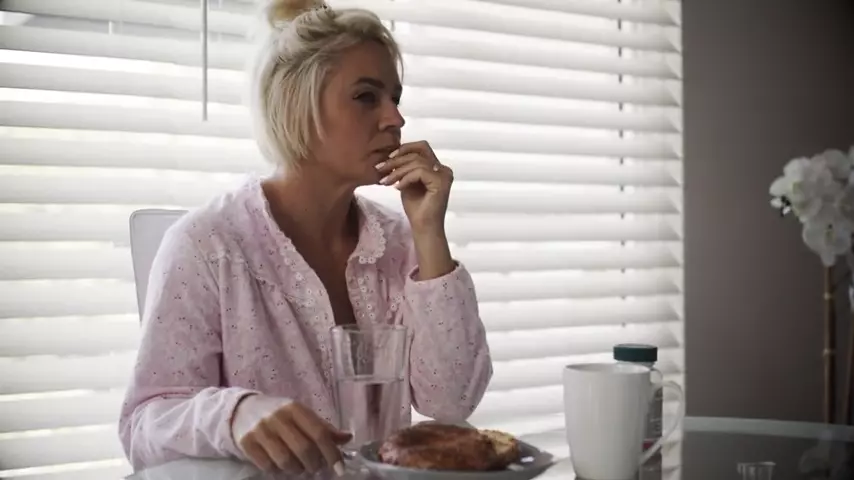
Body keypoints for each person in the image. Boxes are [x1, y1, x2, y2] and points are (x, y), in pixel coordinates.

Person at [118, 0, 493, 474]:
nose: (395, 118)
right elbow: (144, 426)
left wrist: (429, 231)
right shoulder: (208, 246)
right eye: (366, 97)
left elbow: (451, 400)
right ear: (298, 102)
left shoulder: (398, 242)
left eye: (395, 97)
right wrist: (235, 413)